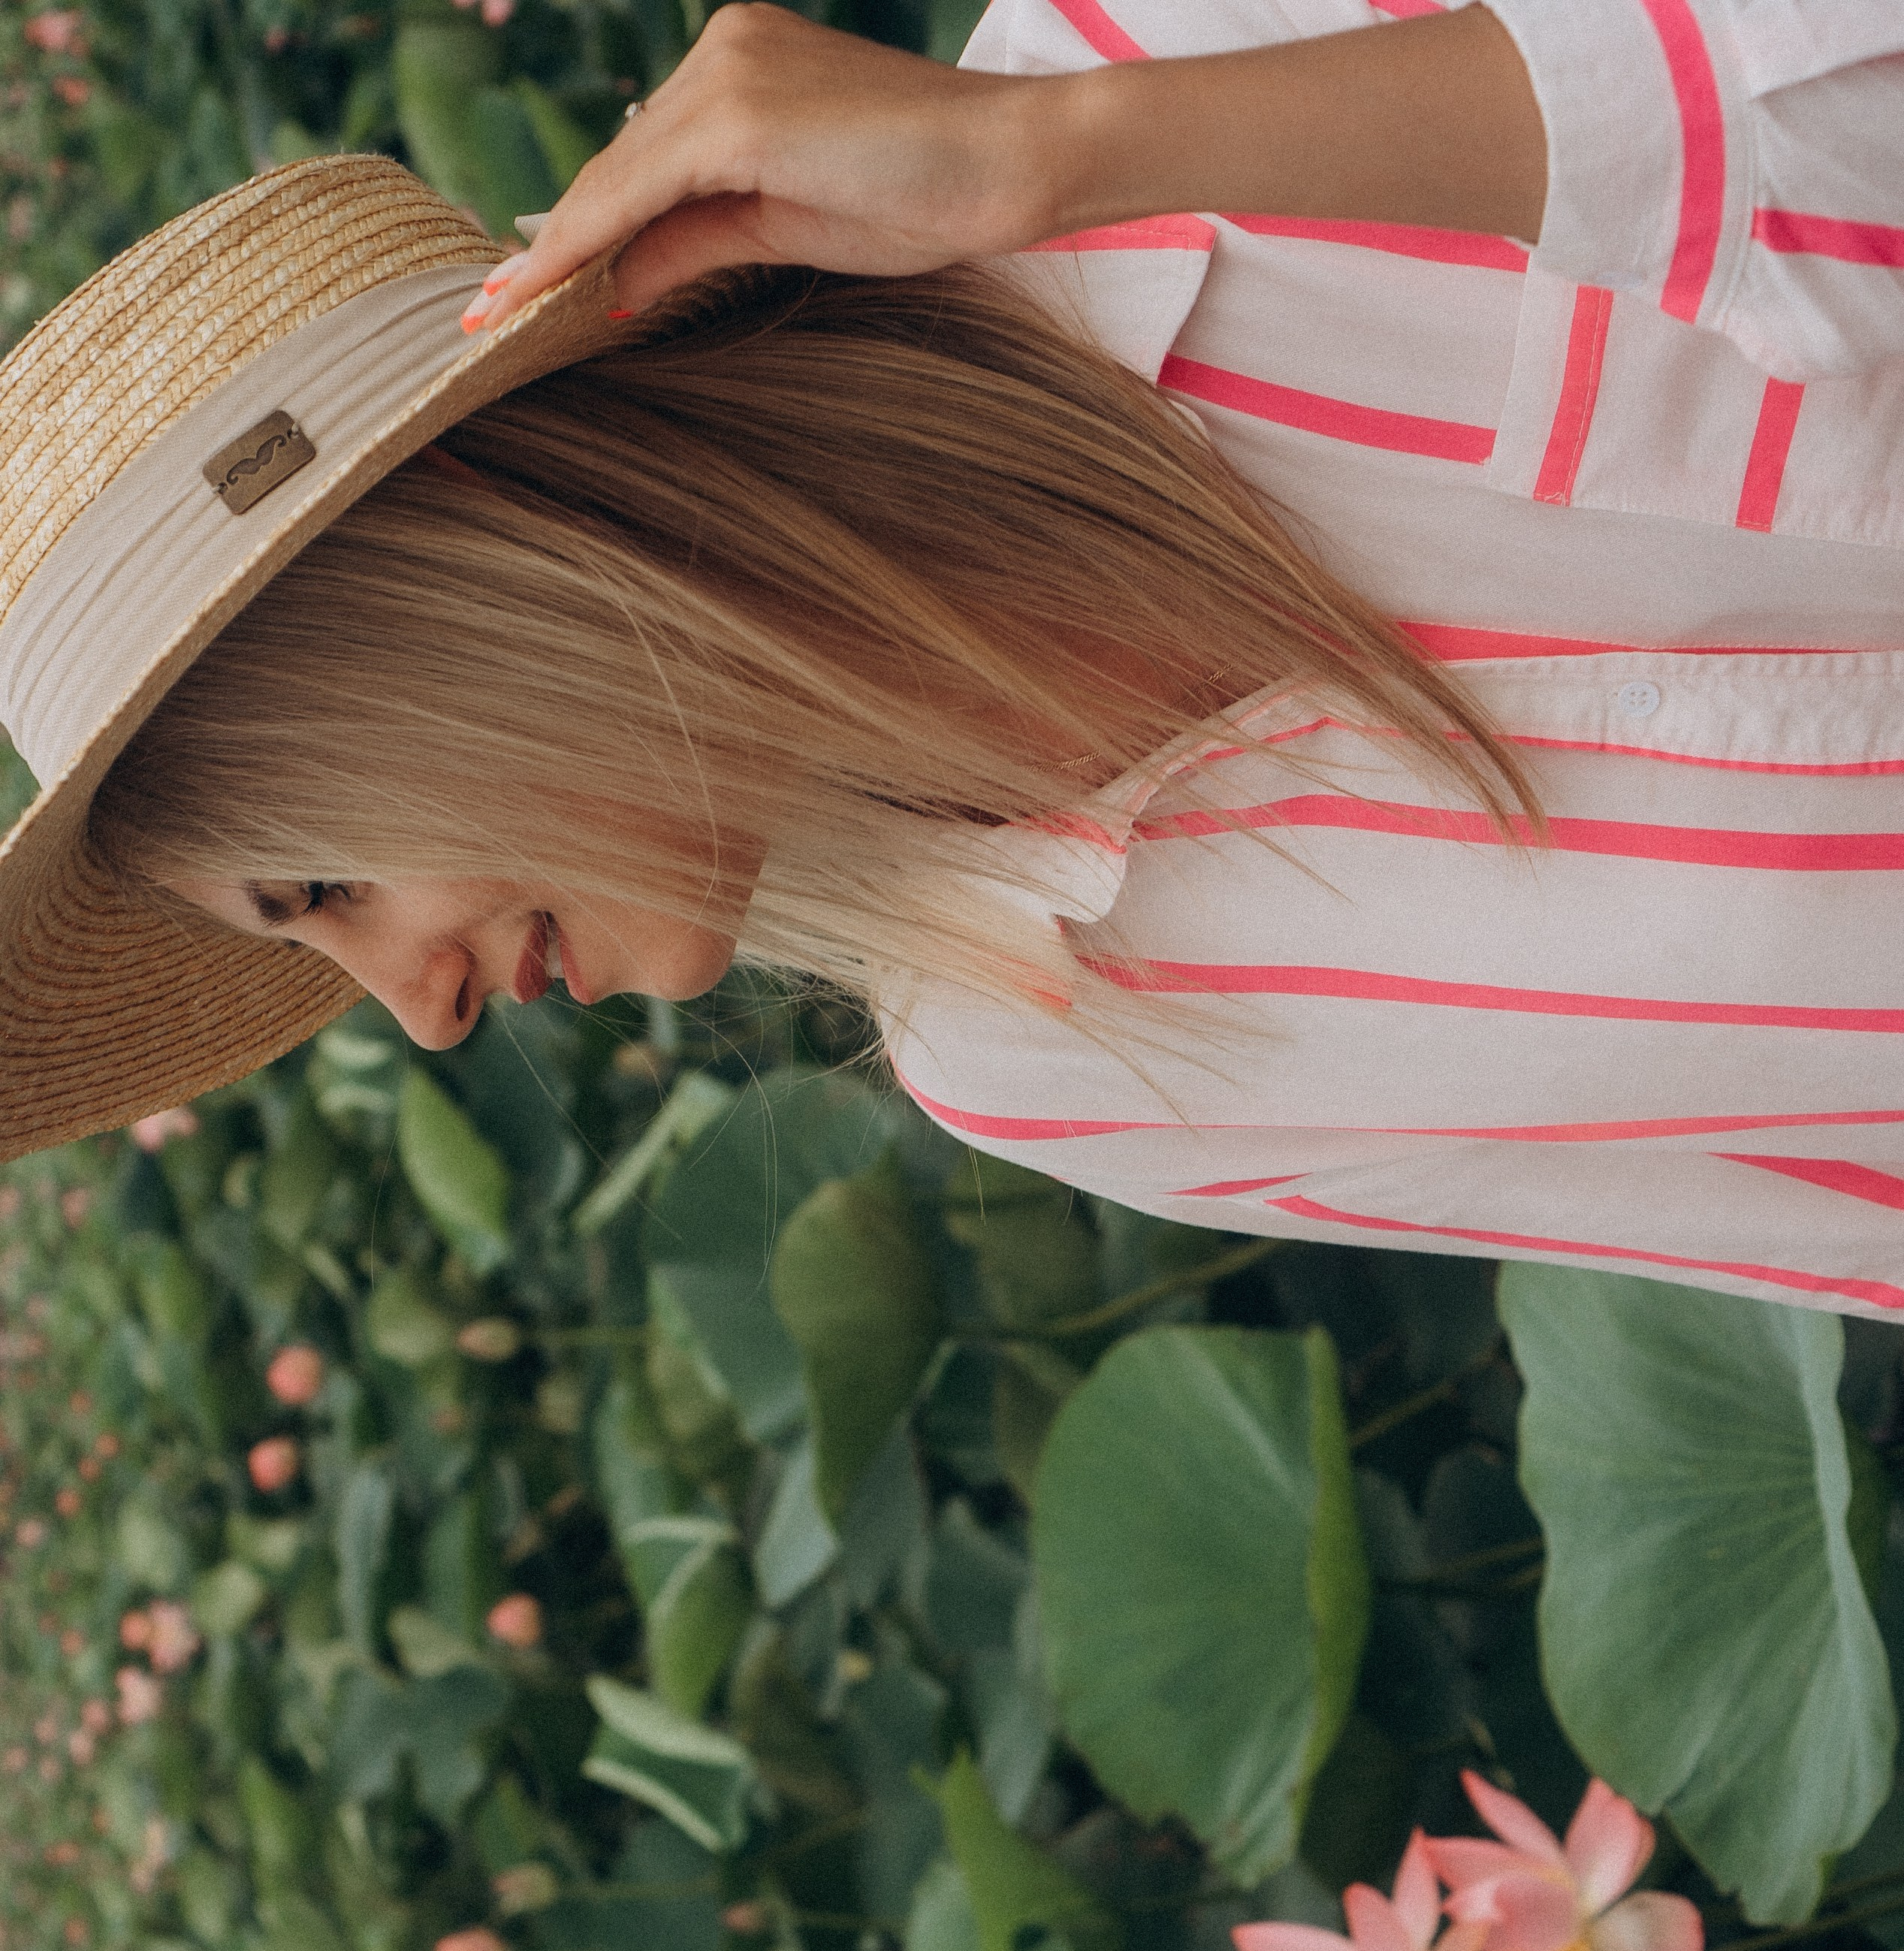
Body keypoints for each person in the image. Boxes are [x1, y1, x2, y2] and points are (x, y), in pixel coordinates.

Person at [2, 0, 1901, 1314]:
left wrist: (1077, 147)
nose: (407, 1014)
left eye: (319, 880)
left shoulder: (1148, 79)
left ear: (427, 636)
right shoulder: (1045, 1058)